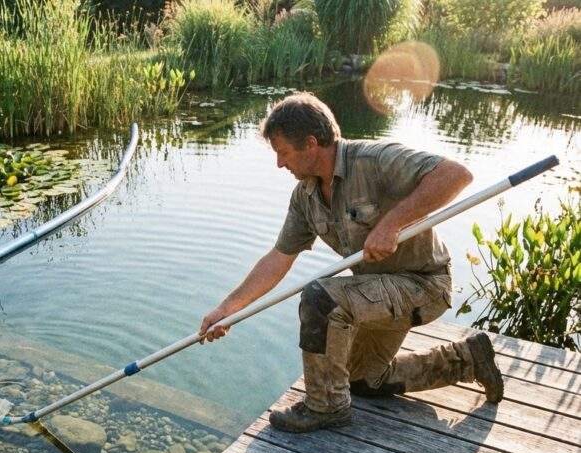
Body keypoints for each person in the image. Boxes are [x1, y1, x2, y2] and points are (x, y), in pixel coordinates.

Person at [199, 92, 504, 433]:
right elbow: (278, 258)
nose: (280, 164)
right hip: (374, 297)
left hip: (422, 286)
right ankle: (466, 359)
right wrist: (228, 309)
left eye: (283, 153)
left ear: (311, 143)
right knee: (363, 381)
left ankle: (325, 406)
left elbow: (455, 175)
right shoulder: (306, 196)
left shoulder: (374, 160)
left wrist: (392, 223)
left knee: (321, 299)